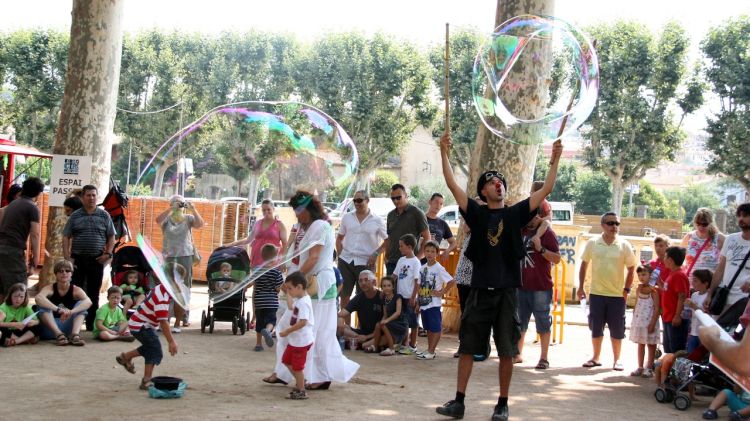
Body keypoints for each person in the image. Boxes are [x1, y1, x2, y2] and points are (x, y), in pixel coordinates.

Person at [436, 132, 563, 421]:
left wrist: (553, 160)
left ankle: (502, 404)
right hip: (480, 292)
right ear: (483, 192)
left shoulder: (516, 213)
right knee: (468, 347)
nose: (498, 185)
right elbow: (452, 184)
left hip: (507, 292)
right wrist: (443, 151)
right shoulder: (477, 215)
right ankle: (458, 402)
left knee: (507, 351)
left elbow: (547, 189)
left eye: (501, 182)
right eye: (492, 183)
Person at [269, 191, 359, 389]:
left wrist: (294, 281)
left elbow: (314, 258)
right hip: (309, 284)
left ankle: (319, 376)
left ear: (309, 209)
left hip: (317, 284)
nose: (297, 215)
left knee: (315, 331)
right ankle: (284, 371)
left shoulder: (319, 226)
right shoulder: (310, 226)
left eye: (299, 210)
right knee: (290, 326)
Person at [578, 211, 638, 371]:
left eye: (617, 223)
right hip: (597, 293)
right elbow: (583, 265)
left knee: (617, 329)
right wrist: (581, 286)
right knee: (596, 327)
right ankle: (595, 357)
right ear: (603, 225)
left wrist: (626, 289)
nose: (614, 227)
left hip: (617, 295)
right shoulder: (592, 243)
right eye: (611, 223)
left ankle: (617, 360)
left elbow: (632, 268)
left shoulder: (624, 245)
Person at [116, 264, 180, 391]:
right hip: (141, 325)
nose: (180, 285)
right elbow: (163, 322)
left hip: (138, 323)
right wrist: (171, 341)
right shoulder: (162, 298)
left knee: (150, 347)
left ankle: (126, 357)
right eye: (178, 281)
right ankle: (146, 381)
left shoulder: (160, 288)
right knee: (155, 350)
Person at [63, 184, 116, 331]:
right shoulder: (75, 215)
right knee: (75, 292)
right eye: (88, 195)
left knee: (94, 293)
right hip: (77, 260)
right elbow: (66, 236)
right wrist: (68, 258)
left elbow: (111, 236)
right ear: (83, 197)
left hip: (96, 259)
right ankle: (73, 324)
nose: (91, 198)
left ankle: (92, 324)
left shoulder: (104, 215)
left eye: (94, 195)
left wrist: (108, 253)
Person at [516, 205, 561, 369]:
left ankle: (544, 358)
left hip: (541, 286)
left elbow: (556, 258)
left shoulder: (547, 233)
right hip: (521, 285)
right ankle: (518, 353)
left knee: (543, 321)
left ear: (537, 217)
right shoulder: (521, 231)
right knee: (519, 321)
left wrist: (540, 248)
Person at [155, 194, 204, 332]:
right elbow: (157, 220)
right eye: (175, 202)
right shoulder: (167, 219)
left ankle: (182, 318)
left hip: (185, 255)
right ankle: (166, 318)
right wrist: (170, 209)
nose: (178, 205)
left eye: (181, 203)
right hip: (169, 256)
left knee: (184, 287)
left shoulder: (188, 218)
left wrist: (193, 209)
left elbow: (200, 224)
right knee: (167, 287)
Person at [335, 190, 387, 315]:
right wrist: (340, 255)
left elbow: (388, 241)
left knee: (365, 297)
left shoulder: (377, 220)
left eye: (359, 200)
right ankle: (345, 329)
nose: (357, 203)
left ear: (367, 200)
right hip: (346, 261)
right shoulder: (347, 217)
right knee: (344, 296)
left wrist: (375, 255)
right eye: (355, 201)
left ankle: (362, 329)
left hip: (366, 262)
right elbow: (339, 238)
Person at [0, 177, 43, 303]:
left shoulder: (12, 204)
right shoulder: (32, 207)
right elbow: (35, 234)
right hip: (13, 251)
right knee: (18, 290)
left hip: (2, 249)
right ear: (38, 193)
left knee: (3, 289)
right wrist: (35, 259)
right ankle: (13, 321)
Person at [705, 203, 750, 315]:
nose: (741, 218)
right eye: (739, 215)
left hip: (744, 303)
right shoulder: (730, 239)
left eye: (745, 215)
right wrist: (710, 294)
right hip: (723, 298)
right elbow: (720, 269)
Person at [35, 260, 92, 346]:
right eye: (61, 271)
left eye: (67, 271)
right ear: (56, 274)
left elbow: (88, 302)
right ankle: (59, 335)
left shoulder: (76, 290)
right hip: (50, 328)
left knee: (81, 304)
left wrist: (71, 311)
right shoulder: (50, 288)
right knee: (42, 305)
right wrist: (58, 310)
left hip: (68, 327)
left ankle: (74, 335)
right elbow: (38, 298)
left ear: (71, 273)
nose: (64, 273)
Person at [278, 271, 315, 400]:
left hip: (301, 341)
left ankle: (301, 390)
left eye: (290, 288)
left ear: (299, 287)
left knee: (297, 367)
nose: (289, 291)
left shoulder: (304, 303)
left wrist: (288, 331)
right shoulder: (300, 300)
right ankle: (301, 382)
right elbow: (290, 306)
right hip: (295, 340)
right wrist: (288, 293)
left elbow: (303, 322)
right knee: (287, 361)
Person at [415, 240, 453, 360]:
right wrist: (418, 301)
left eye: (432, 251)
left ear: (437, 253)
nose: (429, 254)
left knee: (435, 328)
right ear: (424, 252)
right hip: (424, 303)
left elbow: (451, 281)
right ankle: (429, 349)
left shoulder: (439, 268)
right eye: (427, 251)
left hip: (434, 304)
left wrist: (442, 292)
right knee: (428, 328)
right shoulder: (422, 268)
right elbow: (419, 285)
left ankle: (431, 351)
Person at [384, 184, 430, 275]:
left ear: (406, 195)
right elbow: (389, 238)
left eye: (398, 197)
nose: (396, 200)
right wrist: (386, 256)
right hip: (392, 262)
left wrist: (417, 258)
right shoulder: (390, 215)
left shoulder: (417, 213)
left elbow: (427, 238)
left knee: (408, 289)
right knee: (389, 289)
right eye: (393, 198)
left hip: (409, 262)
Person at [227, 199, 288, 268]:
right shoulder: (258, 223)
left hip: (272, 261)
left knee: (271, 277)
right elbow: (248, 240)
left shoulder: (279, 225)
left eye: (268, 209)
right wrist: (230, 245)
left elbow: (285, 244)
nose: (266, 212)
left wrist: (284, 260)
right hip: (256, 259)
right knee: (256, 278)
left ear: (273, 209)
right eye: (264, 210)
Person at [248, 244, 284, 352]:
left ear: (262, 257)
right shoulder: (277, 273)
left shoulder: (257, 271)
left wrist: (244, 287)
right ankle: (268, 331)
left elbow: (251, 283)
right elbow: (278, 288)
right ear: (275, 258)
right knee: (271, 320)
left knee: (259, 322)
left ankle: (258, 344)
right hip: (271, 302)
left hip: (259, 302)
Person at [628, 265, 660, 378]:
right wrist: (634, 318)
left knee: (651, 345)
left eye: (644, 274)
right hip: (640, 322)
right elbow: (637, 304)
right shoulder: (638, 289)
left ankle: (649, 367)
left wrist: (652, 323)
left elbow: (657, 308)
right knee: (640, 344)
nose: (641, 277)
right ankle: (640, 366)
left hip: (650, 322)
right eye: (640, 275)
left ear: (650, 276)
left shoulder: (654, 291)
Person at [336, 270, 383, 347]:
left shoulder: (382, 296)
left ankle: (362, 343)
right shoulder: (359, 298)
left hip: (379, 334)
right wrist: (340, 321)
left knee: (387, 335)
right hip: (362, 333)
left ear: (374, 282)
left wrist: (367, 337)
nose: (363, 283)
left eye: (366, 280)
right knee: (338, 326)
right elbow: (341, 314)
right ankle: (361, 341)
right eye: (360, 281)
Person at [392, 234, 421, 355]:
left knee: (412, 321)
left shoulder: (416, 262)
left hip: (410, 297)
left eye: (401, 246)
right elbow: (394, 276)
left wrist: (413, 297)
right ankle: (404, 343)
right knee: (403, 321)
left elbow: (417, 281)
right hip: (400, 296)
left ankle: (413, 345)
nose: (400, 248)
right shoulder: (401, 260)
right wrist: (386, 285)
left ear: (409, 247)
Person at [367, 277, 407, 356]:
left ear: (393, 287)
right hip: (391, 322)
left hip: (400, 324)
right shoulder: (384, 299)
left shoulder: (397, 297)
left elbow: (398, 312)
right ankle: (375, 346)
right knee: (378, 324)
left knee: (383, 324)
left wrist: (386, 321)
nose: (386, 288)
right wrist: (382, 321)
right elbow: (385, 315)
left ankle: (391, 349)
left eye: (389, 285)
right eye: (384, 286)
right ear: (382, 287)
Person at [681, 207, 725, 279]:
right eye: (698, 223)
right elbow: (680, 260)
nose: (701, 227)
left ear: (711, 223)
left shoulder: (719, 239)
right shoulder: (689, 237)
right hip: (690, 283)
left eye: (704, 224)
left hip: (709, 285)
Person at [661, 246, 690, 353]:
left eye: (665, 257)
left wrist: (677, 315)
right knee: (669, 348)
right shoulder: (672, 274)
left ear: (670, 260)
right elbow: (668, 290)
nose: (663, 259)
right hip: (668, 316)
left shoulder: (679, 275)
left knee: (676, 349)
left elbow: (681, 296)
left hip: (675, 318)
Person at [684, 269, 711, 353]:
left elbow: (707, 315)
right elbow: (690, 313)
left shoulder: (708, 297)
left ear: (705, 283)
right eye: (693, 280)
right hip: (693, 332)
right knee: (690, 356)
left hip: (703, 334)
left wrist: (693, 306)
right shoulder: (694, 295)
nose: (693, 283)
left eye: (695, 281)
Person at [424, 192, 457, 260]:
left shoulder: (443, 223)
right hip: (418, 259)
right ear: (430, 202)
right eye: (436, 202)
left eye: (441, 204)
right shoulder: (420, 219)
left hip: (433, 261)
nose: (438, 205)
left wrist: (447, 251)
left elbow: (453, 242)